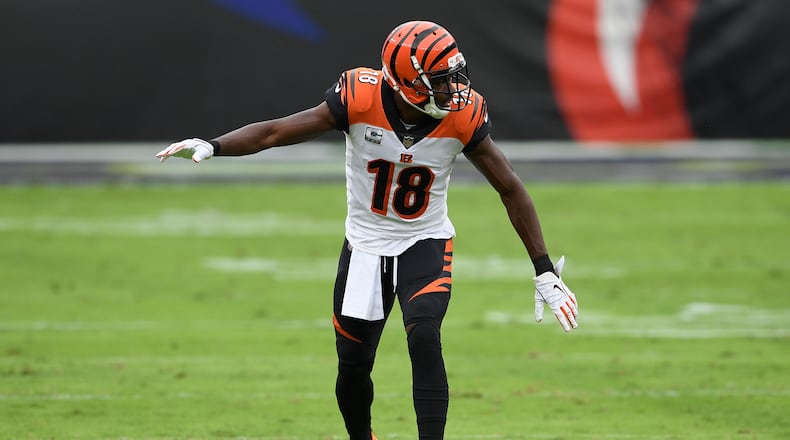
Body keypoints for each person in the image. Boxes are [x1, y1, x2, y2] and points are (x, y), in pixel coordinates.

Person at [156, 20, 578, 440]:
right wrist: (214, 144)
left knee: (425, 336)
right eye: (440, 80)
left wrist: (543, 267)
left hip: (424, 241)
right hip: (365, 246)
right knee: (353, 367)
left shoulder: (463, 118)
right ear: (407, 83)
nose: (454, 90)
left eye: (454, 77)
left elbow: (510, 187)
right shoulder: (359, 99)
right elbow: (275, 131)